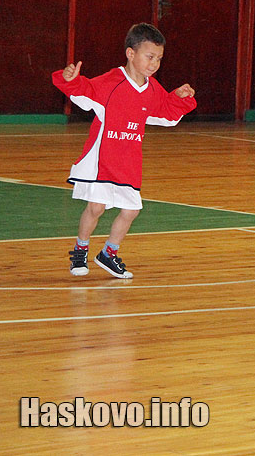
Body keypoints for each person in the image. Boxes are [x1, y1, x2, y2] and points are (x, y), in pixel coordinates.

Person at [51, 23, 197, 279]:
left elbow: (164, 113)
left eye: (159, 59)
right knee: (96, 207)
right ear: (131, 53)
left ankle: (109, 252)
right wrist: (70, 79)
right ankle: (80, 249)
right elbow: (84, 92)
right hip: (102, 160)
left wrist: (179, 97)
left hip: (129, 161)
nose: (154, 64)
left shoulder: (151, 88)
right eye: (149, 57)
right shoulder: (111, 82)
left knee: (131, 210)